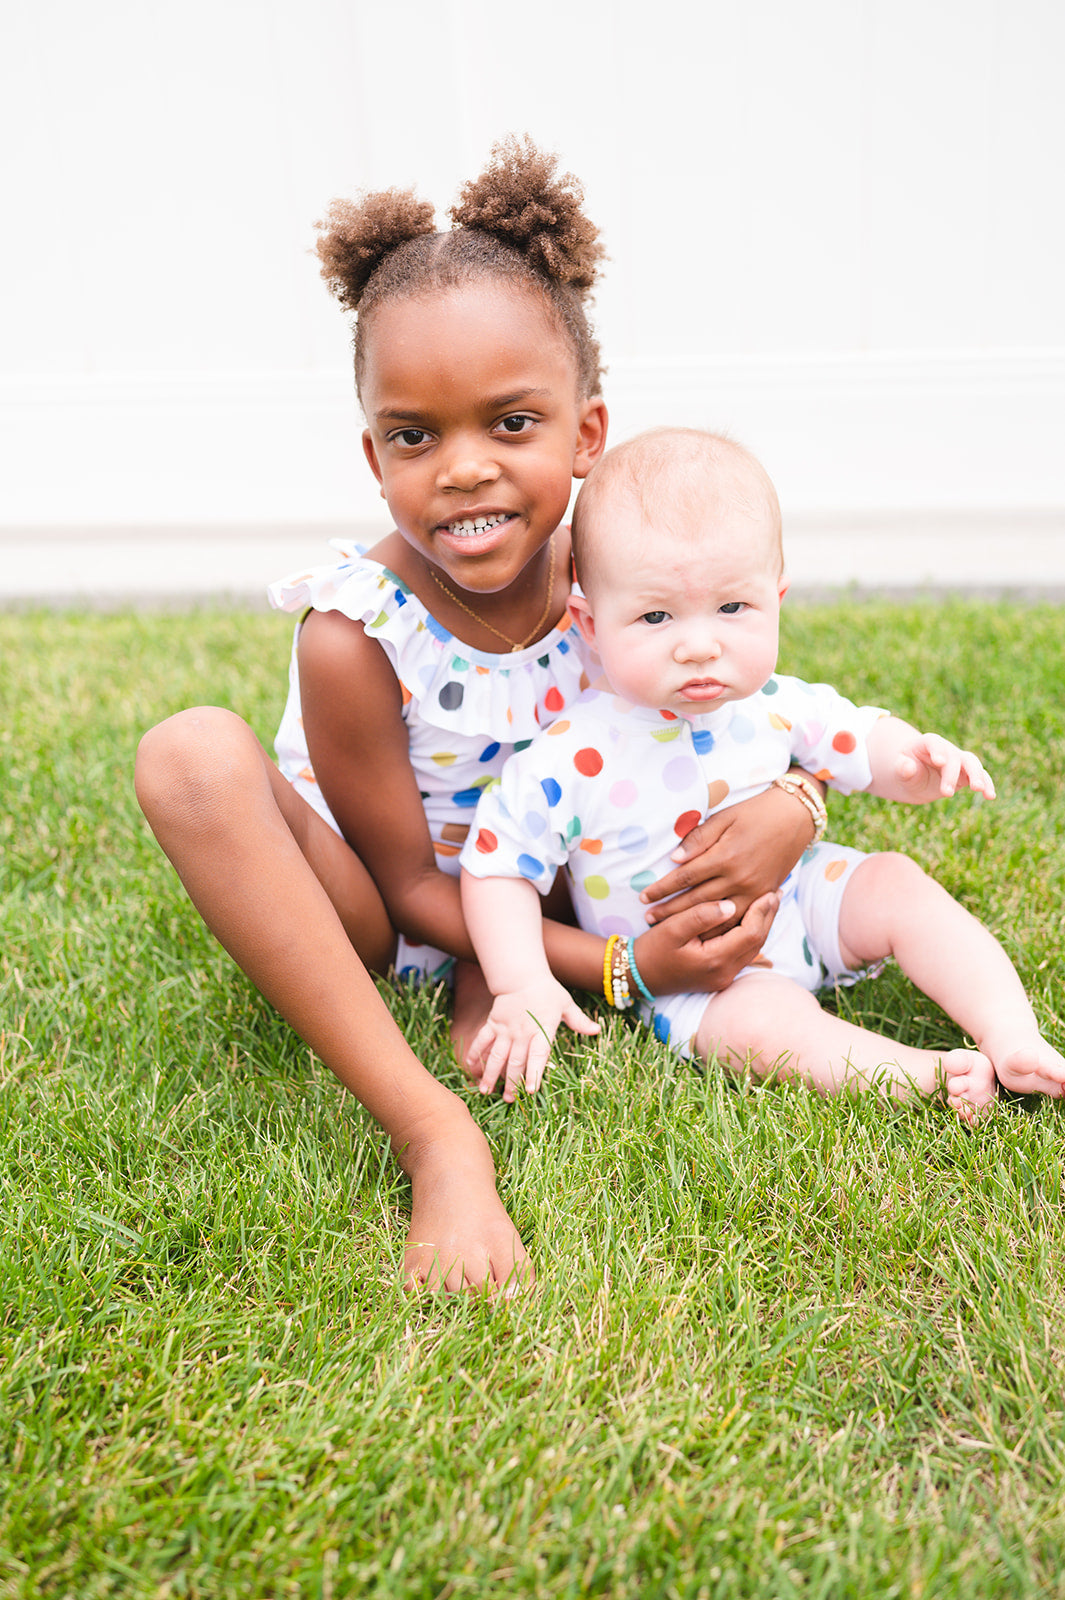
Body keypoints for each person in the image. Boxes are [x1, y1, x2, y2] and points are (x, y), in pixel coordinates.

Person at [134, 144, 822, 1293]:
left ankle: (494, 972)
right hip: (382, 901)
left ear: (587, 435)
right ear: (373, 454)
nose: (463, 470)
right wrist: (616, 965)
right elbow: (407, 888)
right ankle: (435, 1135)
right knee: (191, 753)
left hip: (549, 869)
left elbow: (745, 692)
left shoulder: (616, 574)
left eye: (511, 424)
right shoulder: (356, 633)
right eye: (415, 435)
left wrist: (796, 804)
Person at [460, 427, 1065, 1117]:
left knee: (893, 882)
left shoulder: (774, 703)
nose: (697, 644)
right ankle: (919, 1075)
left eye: (731, 608)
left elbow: (859, 741)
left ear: (775, 597)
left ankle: (1011, 1033)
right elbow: (497, 862)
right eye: (654, 615)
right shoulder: (570, 755)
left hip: (804, 896)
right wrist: (519, 982)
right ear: (591, 625)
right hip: (699, 978)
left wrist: (913, 762)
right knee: (757, 1031)